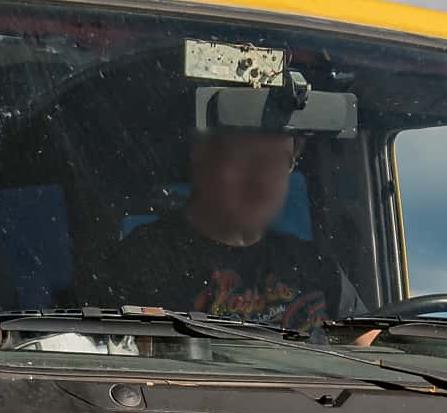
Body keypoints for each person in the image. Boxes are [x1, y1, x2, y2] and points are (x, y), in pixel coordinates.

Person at [93, 119, 353, 329]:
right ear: (202, 157)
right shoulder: (142, 261)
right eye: (245, 157)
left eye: (277, 161)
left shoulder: (315, 264)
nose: (262, 179)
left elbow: (366, 348)